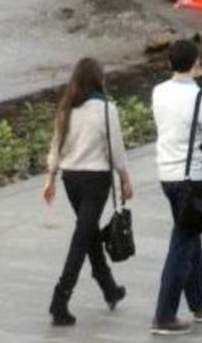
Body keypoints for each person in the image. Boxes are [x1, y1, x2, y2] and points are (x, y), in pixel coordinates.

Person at [42, 57, 134, 326]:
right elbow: (116, 149)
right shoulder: (106, 109)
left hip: (71, 179)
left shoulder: (67, 107)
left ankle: (109, 288)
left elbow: (56, 145)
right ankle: (60, 300)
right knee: (82, 238)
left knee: (88, 232)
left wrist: (51, 177)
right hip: (96, 180)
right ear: (98, 79)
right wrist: (125, 178)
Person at [150, 39, 202, 335]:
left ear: (169, 63)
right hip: (192, 179)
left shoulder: (158, 92)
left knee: (190, 234)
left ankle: (199, 302)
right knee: (182, 244)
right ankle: (164, 315)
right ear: (195, 63)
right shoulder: (201, 99)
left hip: (166, 174)